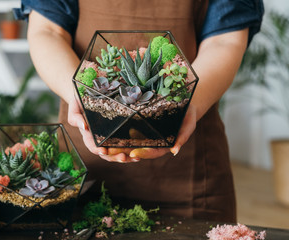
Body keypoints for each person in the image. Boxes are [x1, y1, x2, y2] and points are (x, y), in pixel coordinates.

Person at [14, 0, 264, 222]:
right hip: (86, 166)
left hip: (190, 181)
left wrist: (188, 103)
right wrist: (79, 94)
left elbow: (224, 39)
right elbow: (48, 30)